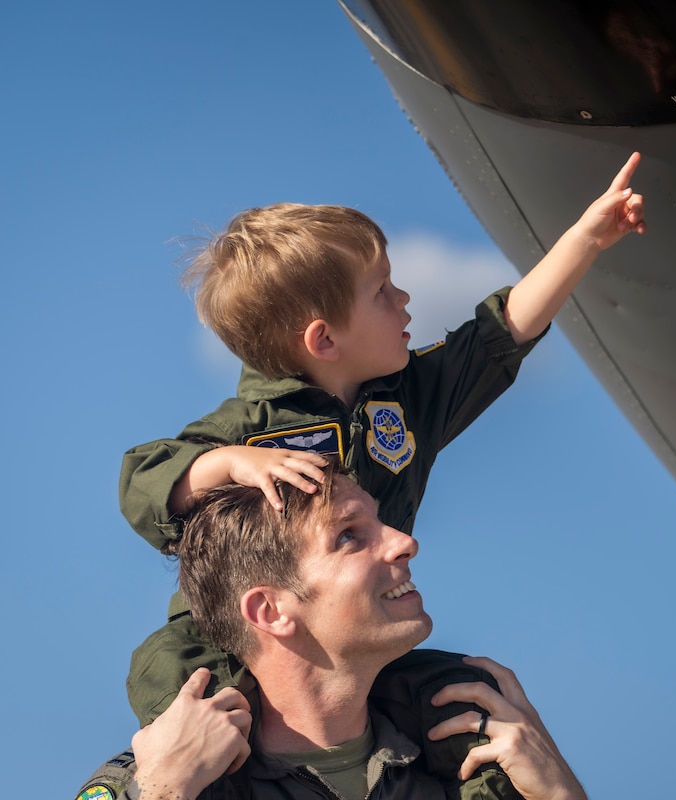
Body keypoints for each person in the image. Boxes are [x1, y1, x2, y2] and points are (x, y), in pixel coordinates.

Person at [119, 152, 647, 731]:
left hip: (352, 640)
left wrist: (585, 240)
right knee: (175, 679)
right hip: (233, 644)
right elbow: (142, 483)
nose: (404, 300)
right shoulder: (251, 427)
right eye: (381, 292)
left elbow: (501, 334)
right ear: (323, 340)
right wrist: (229, 462)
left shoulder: (407, 400)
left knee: (465, 699)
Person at [78, 470, 588, 800]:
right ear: (271, 610)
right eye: (349, 536)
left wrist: (561, 794)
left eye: (381, 523)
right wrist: (164, 790)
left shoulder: (468, 768)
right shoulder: (161, 776)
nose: (406, 542)